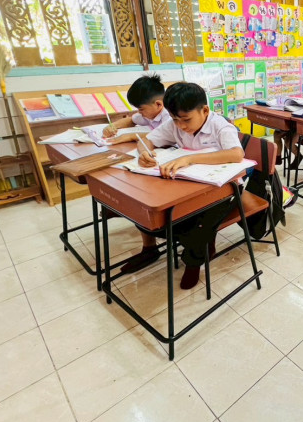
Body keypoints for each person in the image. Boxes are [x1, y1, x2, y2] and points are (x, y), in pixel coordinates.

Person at [133, 82, 245, 289]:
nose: (181, 126)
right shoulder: (174, 124)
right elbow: (146, 140)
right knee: (155, 207)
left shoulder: (221, 126)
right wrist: (144, 153)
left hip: (225, 189)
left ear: (205, 110)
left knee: (196, 223)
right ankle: (162, 248)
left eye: (186, 119)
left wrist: (190, 159)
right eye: (175, 119)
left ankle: (194, 261)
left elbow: (236, 154)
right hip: (188, 185)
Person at [103, 73, 170, 143]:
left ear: (158, 104)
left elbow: (163, 136)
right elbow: (131, 120)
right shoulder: (150, 113)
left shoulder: (169, 115)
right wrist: (112, 126)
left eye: (141, 109)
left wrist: (130, 136)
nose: (139, 112)